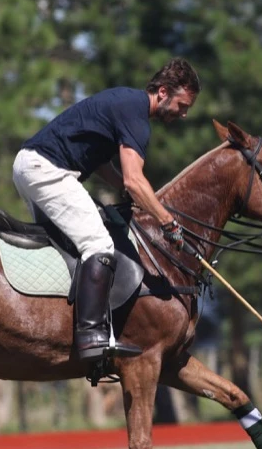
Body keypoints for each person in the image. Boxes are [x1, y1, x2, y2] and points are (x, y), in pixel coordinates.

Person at [13, 58, 199, 365]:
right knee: (99, 245)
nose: (184, 113)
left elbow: (100, 164)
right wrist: (167, 221)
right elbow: (134, 180)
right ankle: (91, 337)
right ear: (163, 92)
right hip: (46, 169)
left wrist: (130, 194)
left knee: (71, 249)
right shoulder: (136, 115)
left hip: (31, 164)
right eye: (182, 104)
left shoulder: (124, 102)